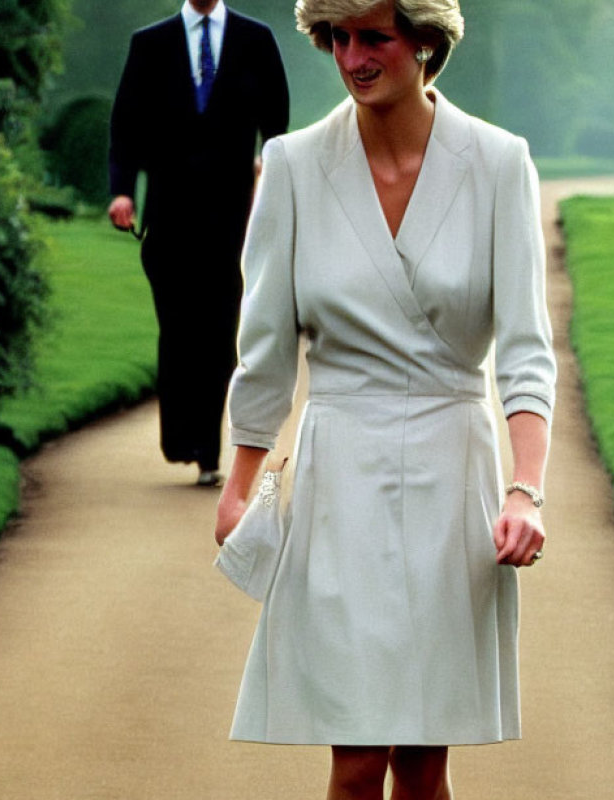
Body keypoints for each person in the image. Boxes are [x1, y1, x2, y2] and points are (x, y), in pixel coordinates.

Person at [215, 0, 556, 796]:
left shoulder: (501, 162)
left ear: (427, 41)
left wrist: (526, 489)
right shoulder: (294, 167)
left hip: (453, 471)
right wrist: (240, 485)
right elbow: (263, 347)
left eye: (375, 36)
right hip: (340, 477)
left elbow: (528, 350)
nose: (352, 57)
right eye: (337, 37)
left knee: (426, 753)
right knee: (358, 749)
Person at [108, 0, 289, 486]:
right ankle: (181, 436)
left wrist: (275, 190)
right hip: (168, 216)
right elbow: (125, 125)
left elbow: (276, 129)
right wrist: (122, 190)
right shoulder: (150, 45)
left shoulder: (256, 41)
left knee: (218, 327)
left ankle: (207, 449)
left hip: (231, 218)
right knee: (178, 326)